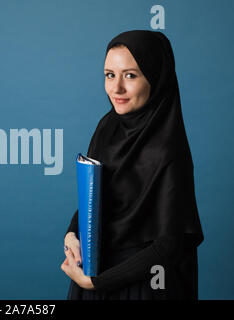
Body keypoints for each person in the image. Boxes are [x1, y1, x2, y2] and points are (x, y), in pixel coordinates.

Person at [60, 30, 204, 300]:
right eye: (109, 75)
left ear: (155, 78)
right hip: (93, 273)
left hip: (143, 285)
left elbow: (168, 246)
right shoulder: (106, 128)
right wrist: (71, 234)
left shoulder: (168, 149)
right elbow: (94, 199)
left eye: (130, 75)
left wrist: (98, 283)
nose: (116, 89)